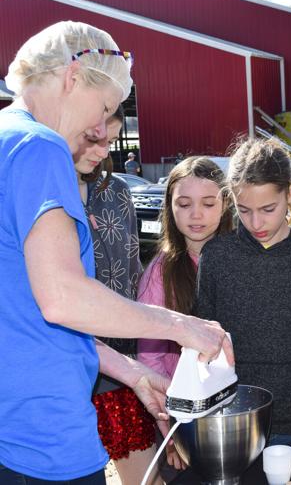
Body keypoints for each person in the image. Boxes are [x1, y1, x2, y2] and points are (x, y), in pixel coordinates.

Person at [0, 21, 232, 484]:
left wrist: (129, 369)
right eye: (105, 108)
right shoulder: (40, 146)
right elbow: (62, 297)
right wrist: (182, 326)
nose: (102, 128)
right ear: (71, 79)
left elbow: (22, 305)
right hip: (43, 432)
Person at [196, 138, 291, 460]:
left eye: (268, 209)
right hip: (233, 422)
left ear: (290, 193)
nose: (256, 223)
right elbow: (204, 348)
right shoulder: (217, 257)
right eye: (244, 210)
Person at [74, 106, 161, 485]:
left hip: (121, 369)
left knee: (145, 479)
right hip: (68, 367)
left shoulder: (118, 193)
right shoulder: (44, 194)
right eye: (94, 138)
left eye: (109, 139)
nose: (102, 148)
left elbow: (132, 273)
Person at [137, 156, 233, 472]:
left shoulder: (242, 261)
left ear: (225, 203)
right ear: (170, 207)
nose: (196, 215)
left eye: (208, 203)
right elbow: (150, 359)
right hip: (187, 420)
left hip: (237, 411)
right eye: (184, 203)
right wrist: (172, 430)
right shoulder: (159, 273)